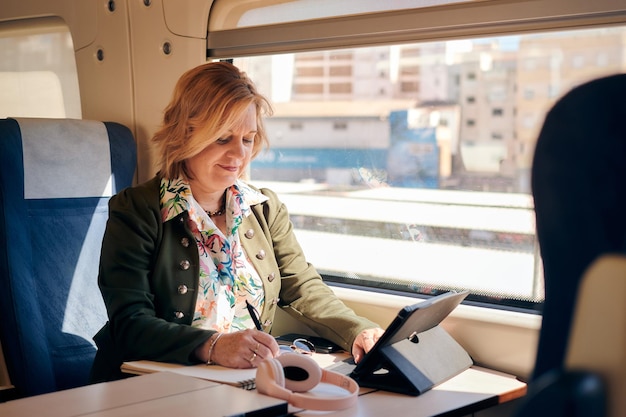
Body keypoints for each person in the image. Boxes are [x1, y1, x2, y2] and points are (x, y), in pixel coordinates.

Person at [90, 61, 384, 383]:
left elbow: (302, 287)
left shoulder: (264, 208)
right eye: (222, 139)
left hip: (240, 381)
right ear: (185, 133)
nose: (238, 155)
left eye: (247, 139)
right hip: (151, 382)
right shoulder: (137, 211)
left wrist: (360, 331)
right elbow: (130, 322)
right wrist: (214, 347)